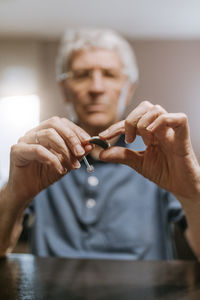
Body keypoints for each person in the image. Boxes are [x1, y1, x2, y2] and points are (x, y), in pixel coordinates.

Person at [0, 28, 200, 259]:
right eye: (83, 74)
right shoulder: (42, 155)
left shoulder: (157, 154)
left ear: (128, 90)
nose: (96, 87)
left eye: (109, 74)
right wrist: (14, 195)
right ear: (65, 90)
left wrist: (193, 191)